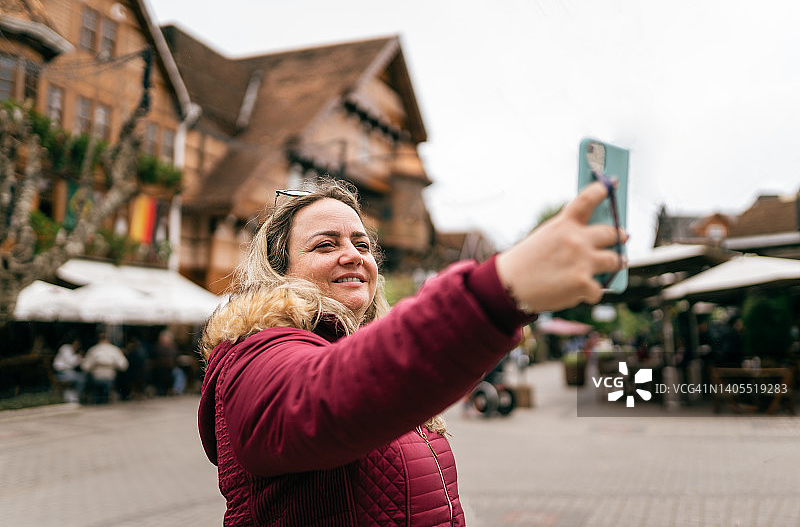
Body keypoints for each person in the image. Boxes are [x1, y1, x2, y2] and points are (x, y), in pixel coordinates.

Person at [198, 177, 625, 525]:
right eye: (325, 245)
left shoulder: (361, 350)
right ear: (279, 269)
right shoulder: (251, 352)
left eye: (362, 245)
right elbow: (319, 400)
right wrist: (500, 290)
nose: (352, 255)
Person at [81, 332, 128, 404]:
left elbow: (85, 367)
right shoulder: (114, 350)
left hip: (96, 377)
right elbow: (124, 365)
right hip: (110, 377)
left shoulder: (93, 350)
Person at [52, 336, 86, 403]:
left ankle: (74, 396)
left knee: (83, 377)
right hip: (61, 373)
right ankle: (75, 397)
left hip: (68, 372)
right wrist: (79, 357)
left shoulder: (73, 351)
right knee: (81, 379)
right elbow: (70, 362)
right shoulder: (65, 348)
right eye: (77, 343)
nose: (78, 345)